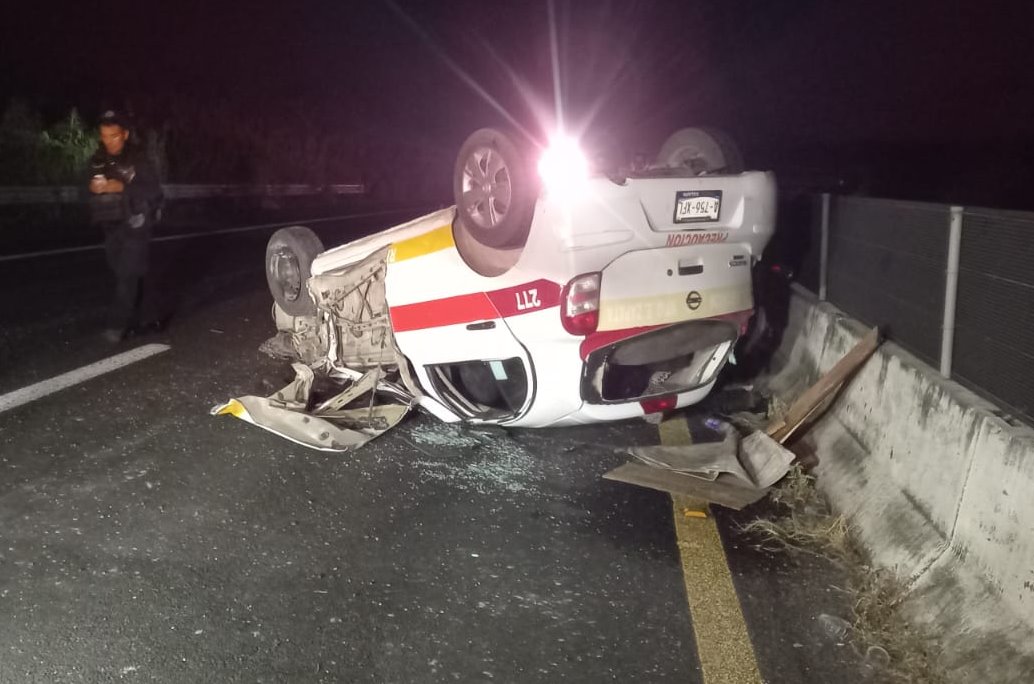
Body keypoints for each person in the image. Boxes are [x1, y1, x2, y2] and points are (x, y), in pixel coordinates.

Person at [87, 110, 164, 342]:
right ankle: (150, 316)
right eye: (104, 136)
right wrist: (92, 187)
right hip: (111, 225)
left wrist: (120, 187)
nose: (109, 141)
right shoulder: (98, 159)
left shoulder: (138, 159)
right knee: (130, 272)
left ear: (125, 134)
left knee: (127, 273)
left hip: (136, 222)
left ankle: (117, 325)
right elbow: (85, 188)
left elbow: (153, 190)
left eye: (114, 136)